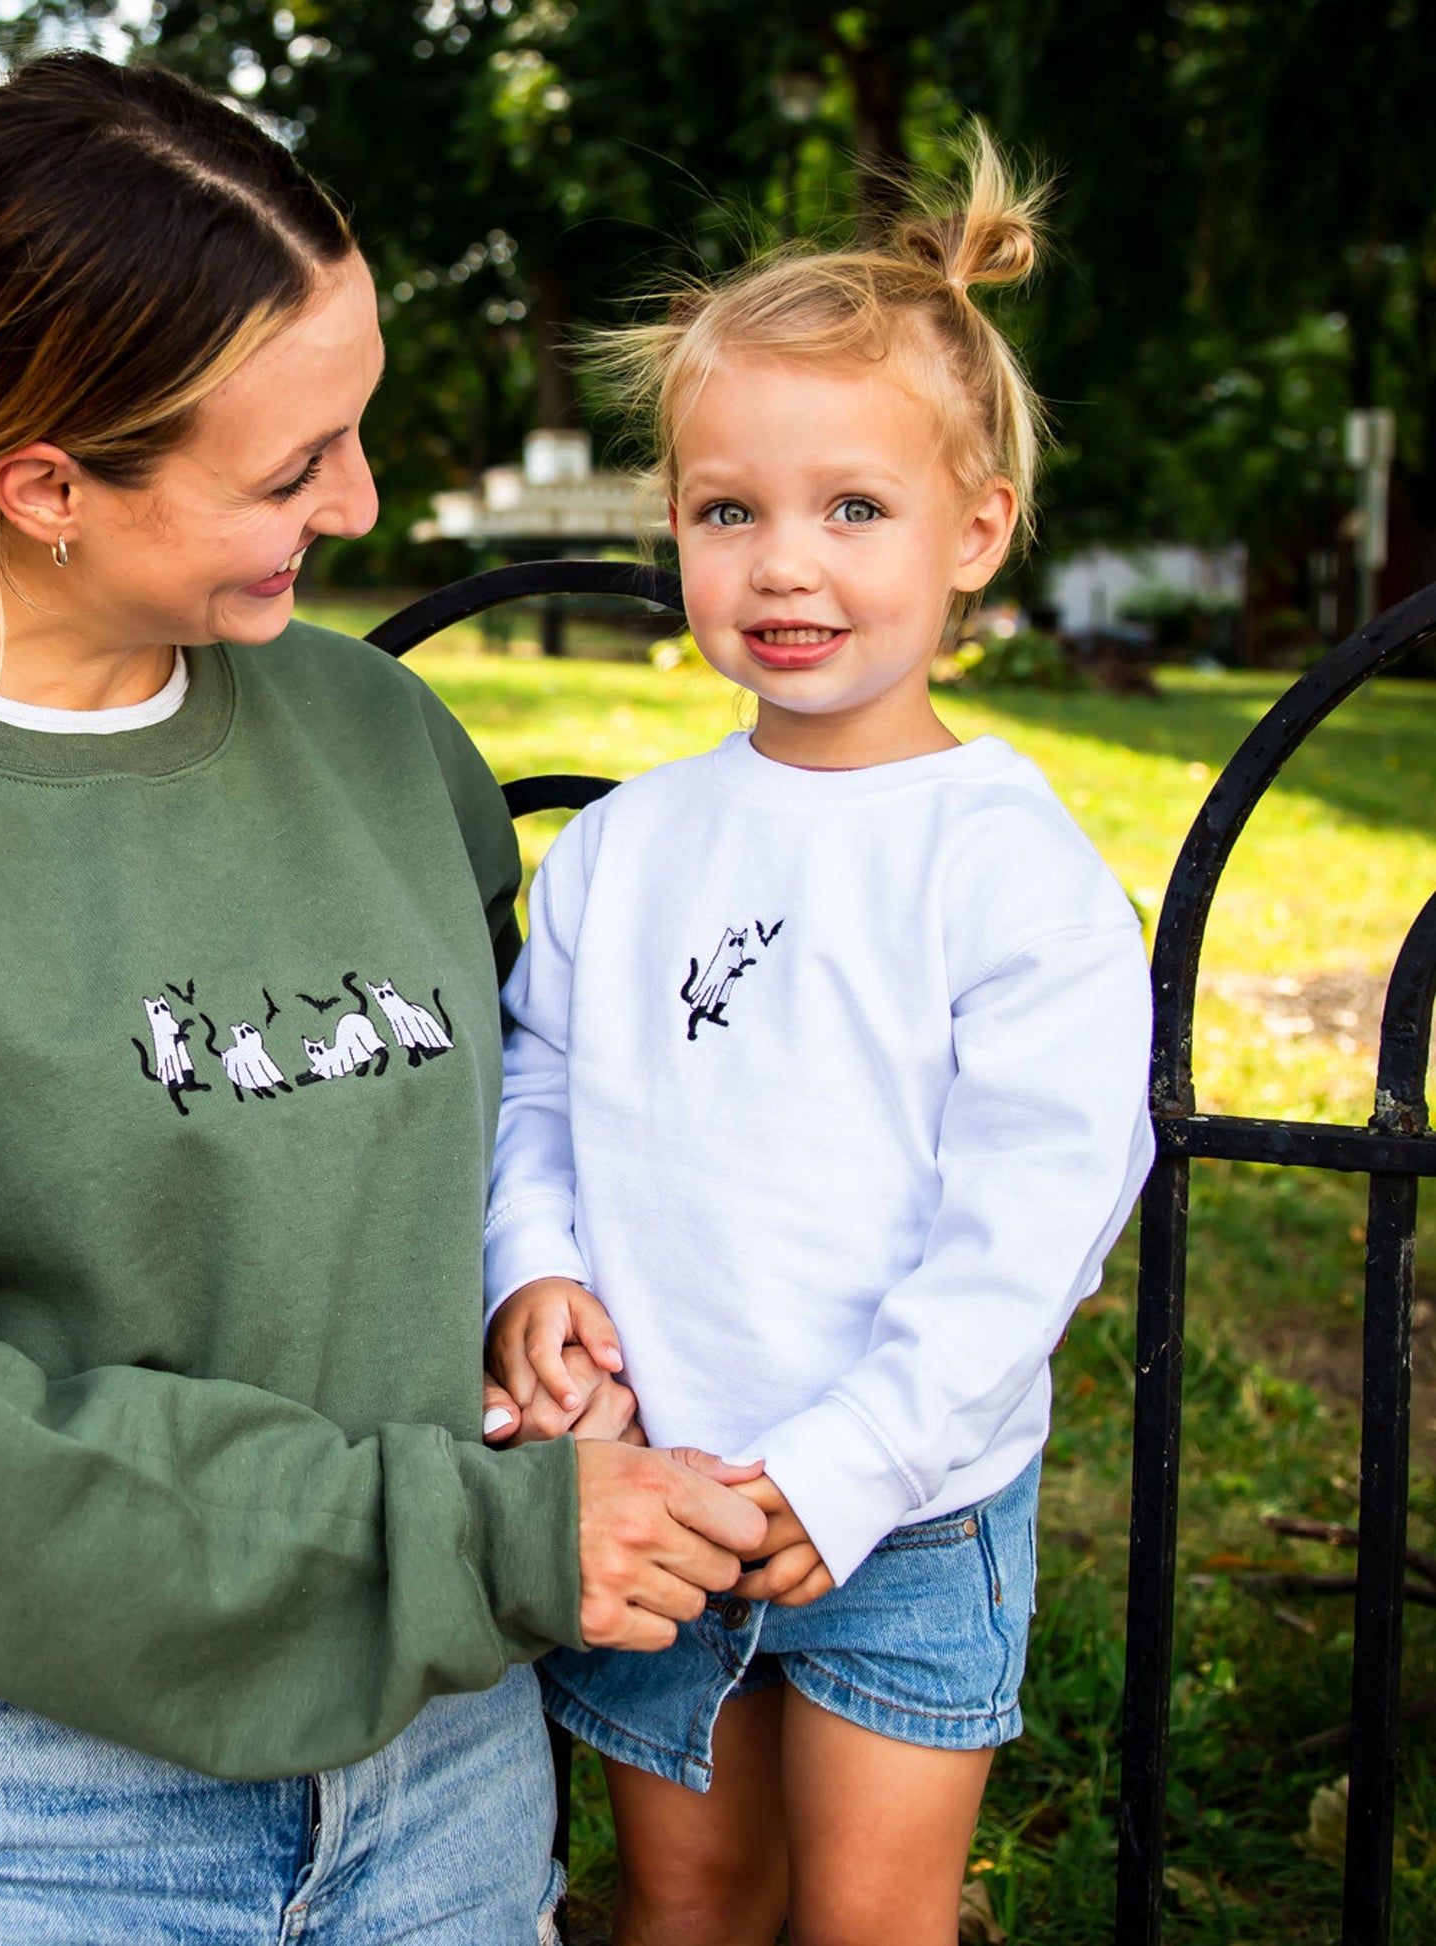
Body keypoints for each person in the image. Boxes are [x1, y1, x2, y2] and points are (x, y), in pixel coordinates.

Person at [0, 52, 766, 1943]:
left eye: (355, 429)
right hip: (8, 1789)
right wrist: (478, 1534)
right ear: (48, 481)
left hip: (442, 1763)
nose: (365, 503)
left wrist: (539, 1321)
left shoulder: (382, 736)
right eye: (295, 468)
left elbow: (519, 1156)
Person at [481, 131, 1155, 1946]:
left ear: (977, 532)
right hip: (663, 1490)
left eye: (853, 508)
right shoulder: (626, 846)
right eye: (727, 511)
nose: (784, 564)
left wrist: (847, 1463)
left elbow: (1034, 1223)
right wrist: (530, 1270)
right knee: (683, 1898)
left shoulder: (1006, 867)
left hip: (904, 1507)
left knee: (868, 1918)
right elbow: (536, 1077)